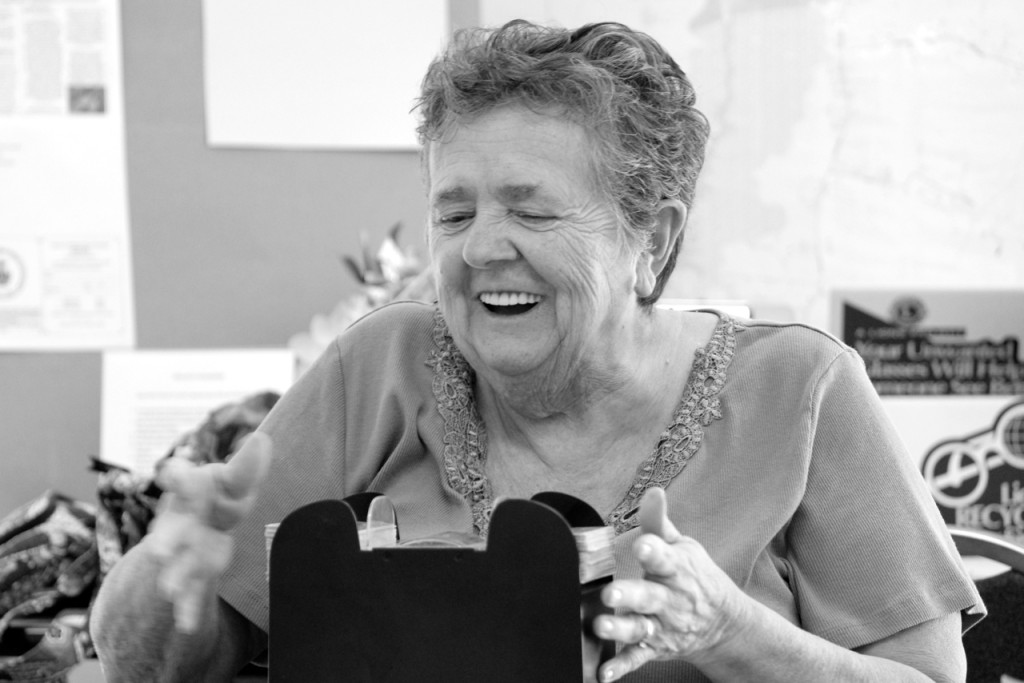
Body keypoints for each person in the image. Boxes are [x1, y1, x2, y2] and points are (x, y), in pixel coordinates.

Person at [90, 20, 984, 682]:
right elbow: (166, 661)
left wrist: (728, 629)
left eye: (531, 209)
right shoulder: (382, 366)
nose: (481, 247)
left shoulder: (802, 388)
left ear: (653, 241)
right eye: (455, 211)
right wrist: (168, 576)